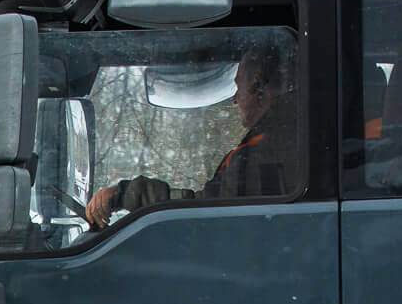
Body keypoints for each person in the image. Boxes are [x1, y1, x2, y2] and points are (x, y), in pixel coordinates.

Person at [84, 43, 297, 228]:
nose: (234, 100)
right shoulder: (285, 136)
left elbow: (203, 211)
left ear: (258, 86)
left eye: (238, 86)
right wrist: (127, 194)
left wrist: (124, 194)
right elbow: (206, 205)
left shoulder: (262, 153)